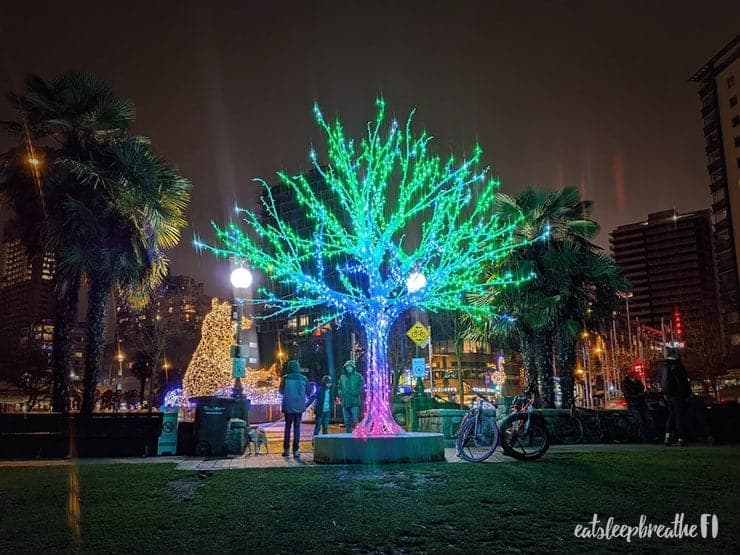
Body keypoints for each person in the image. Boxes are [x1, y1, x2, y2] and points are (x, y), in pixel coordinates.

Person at [660, 347, 691, 447]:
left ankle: (667, 437)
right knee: (679, 416)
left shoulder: (664, 365)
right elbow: (682, 381)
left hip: (668, 395)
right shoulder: (677, 365)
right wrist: (687, 393)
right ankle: (681, 438)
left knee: (672, 415)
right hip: (678, 394)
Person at [279, 359, 309, 459]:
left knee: (287, 428)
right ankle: (296, 450)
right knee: (297, 428)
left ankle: (286, 450)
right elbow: (308, 392)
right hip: (299, 406)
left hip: (288, 406)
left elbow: (281, 391)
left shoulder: (285, 378)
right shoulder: (304, 378)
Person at [622, 370, 653, 442]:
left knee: (647, 420)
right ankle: (643, 437)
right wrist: (639, 395)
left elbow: (642, 391)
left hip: (640, 404)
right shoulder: (626, 384)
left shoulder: (637, 382)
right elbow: (628, 395)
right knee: (640, 421)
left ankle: (648, 436)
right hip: (634, 404)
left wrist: (643, 394)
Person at [338, 360, 364, 432]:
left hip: (354, 402)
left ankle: (357, 435)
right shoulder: (342, 377)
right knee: (347, 421)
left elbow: (361, 386)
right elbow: (339, 387)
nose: (348, 368)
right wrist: (341, 394)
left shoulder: (358, 376)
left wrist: (355, 392)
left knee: (355, 420)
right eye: (347, 367)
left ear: (353, 367)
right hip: (345, 402)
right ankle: (348, 436)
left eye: (350, 367)